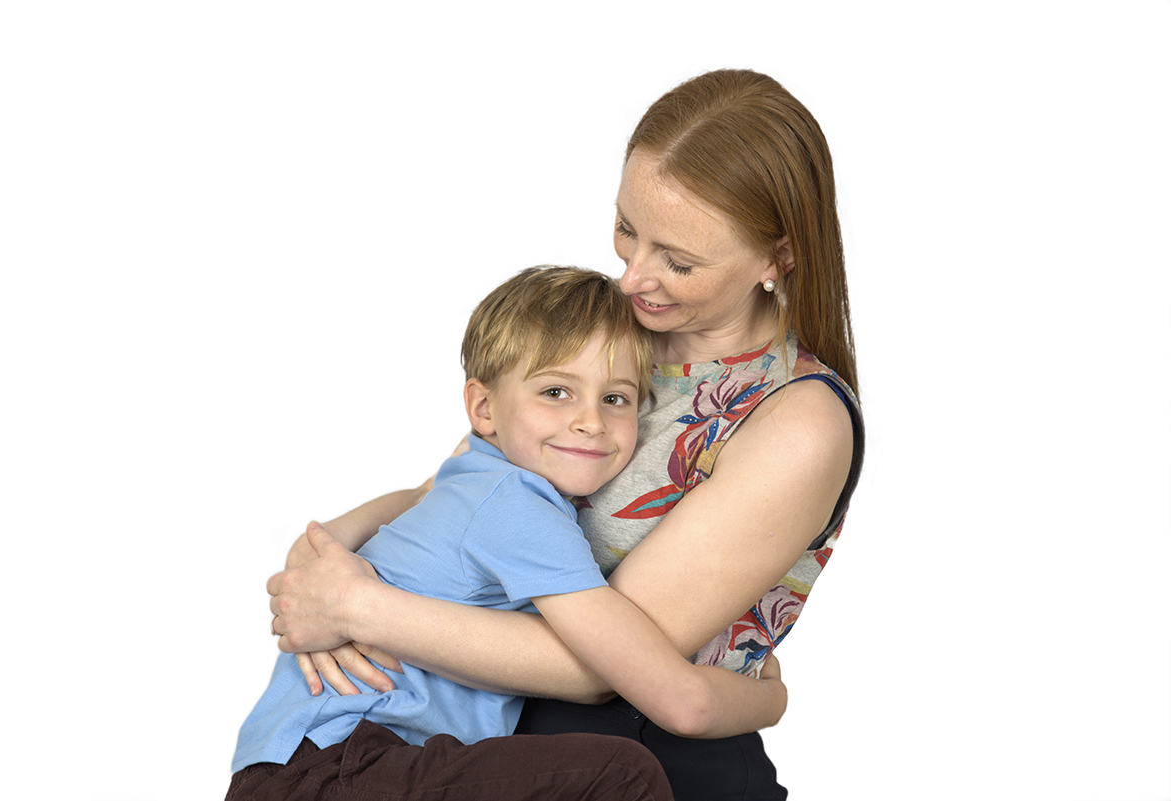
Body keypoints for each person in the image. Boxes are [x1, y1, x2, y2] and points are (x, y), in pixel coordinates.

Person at [270, 68, 865, 801]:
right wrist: (322, 553)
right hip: (484, 750)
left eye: (678, 261)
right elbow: (459, 488)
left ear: (779, 256)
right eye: (627, 229)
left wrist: (361, 608)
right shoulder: (611, 332)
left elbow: (599, 667)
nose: (632, 278)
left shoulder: (796, 420)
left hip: (648, 767)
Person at [233, 266, 789, 801]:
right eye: (556, 392)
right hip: (333, 768)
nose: (591, 421)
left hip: (329, 763)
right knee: (622, 777)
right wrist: (769, 699)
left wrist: (321, 543)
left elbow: (418, 495)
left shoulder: (476, 478)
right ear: (483, 407)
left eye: (615, 398)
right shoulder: (516, 506)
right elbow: (682, 702)